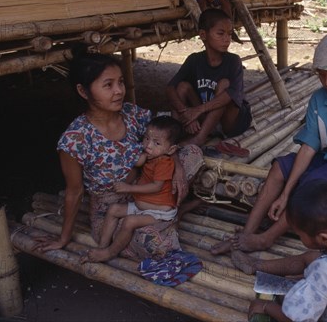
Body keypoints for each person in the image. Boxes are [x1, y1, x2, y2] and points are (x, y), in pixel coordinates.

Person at [211, 31, 327, 254]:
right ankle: (246, 233)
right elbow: (308, 147)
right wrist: (285, 194)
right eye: (322, 75)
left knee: (313, 182)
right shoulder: (319, 99)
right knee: (279, 167)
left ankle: (266, 239)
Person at [35, 48, 203, 259]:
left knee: (193, 153)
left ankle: (167, 214)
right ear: (83, 91)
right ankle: (172, 216)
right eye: (108, 85)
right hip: (111, 210)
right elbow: (74, 192)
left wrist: (176, 165)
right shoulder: (74, 139)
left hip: (149, 189)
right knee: (155, 245)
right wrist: (63, 238)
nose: (119, 91)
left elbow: (165, 140)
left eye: (121, 82)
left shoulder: (131, 114)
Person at [231, 180, 327, 322]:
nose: (299, 237)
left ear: (323, 239)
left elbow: (296, 319)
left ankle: (259, 269)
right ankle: (257, 265)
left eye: (299, 235)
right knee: (313, 258)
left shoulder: (324, 271)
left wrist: (265, 307)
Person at [81, 116, 183, 262]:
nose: (148, 145)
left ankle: (110, 252)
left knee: (129, 222)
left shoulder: (164, 163)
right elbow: (134, 159)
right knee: (113, 209)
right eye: (146, 138)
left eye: (157, 143)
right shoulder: (151, 156)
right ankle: (102, 247)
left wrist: (129, 188)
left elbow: (156, 186)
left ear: (171, 149)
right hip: (142, 205)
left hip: (159, 211)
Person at [165, 8, 252, 146]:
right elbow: (170, 88)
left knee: (224, 84)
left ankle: (200, 137)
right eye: (220, 33)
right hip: (207, 117)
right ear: (203, 35)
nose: (227, 39)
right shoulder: (194, 60)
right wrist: (186, 113)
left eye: (229, 34)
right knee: (182, 87)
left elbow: (230, 95)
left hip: (229, 123)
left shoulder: (233, 61)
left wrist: (197, 110)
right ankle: (176, 134)